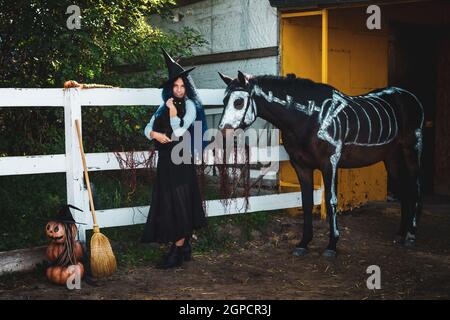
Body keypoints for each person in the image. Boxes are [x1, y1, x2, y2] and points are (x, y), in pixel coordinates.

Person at [141, 48, 208, 269]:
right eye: (175, 86)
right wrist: (154, 134)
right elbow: (147, 128)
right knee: (169, 201)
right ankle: (185, 245)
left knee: (180, 202)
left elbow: (179, 132)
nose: (179, 90)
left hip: (181, 159)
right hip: (166, 160)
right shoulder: (162, 105)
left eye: (182, 86)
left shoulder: (189, 105)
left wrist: (171, 114)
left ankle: (176, 251)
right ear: (170, 87)